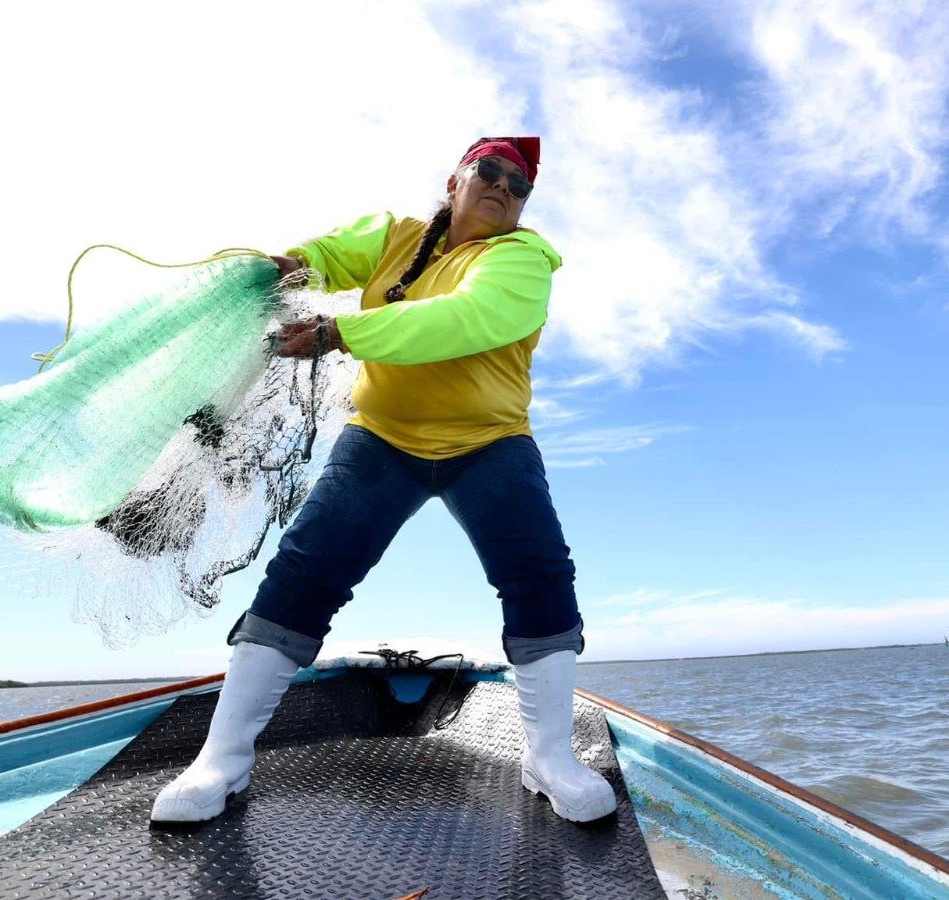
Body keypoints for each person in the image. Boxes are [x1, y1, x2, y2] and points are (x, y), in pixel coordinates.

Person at [150, 137, 617, 826]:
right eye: (488, 172)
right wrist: (296, 265)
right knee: (302, 577)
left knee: (539, 575)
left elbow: (465, 319)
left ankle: (549, 758)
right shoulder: (397, 236)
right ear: (455, 181)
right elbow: (333, 255)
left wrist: (342, 333)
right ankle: (221, 762)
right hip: (382, 440)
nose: (502, 187)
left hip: (489, 444)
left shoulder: (521, 262)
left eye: (518, 186)